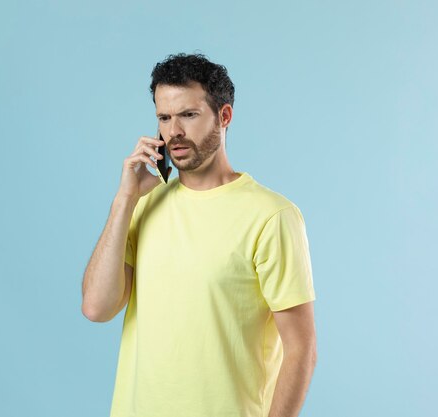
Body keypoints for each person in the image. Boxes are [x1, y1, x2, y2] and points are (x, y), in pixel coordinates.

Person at [81, 53, 317, 417]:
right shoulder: (143, 204)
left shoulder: (271, 216)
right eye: (164, 117)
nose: (173, 131)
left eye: (188, 115)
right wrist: (124, 200)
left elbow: (302, 350)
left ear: (224, 116)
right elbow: (96, 308)